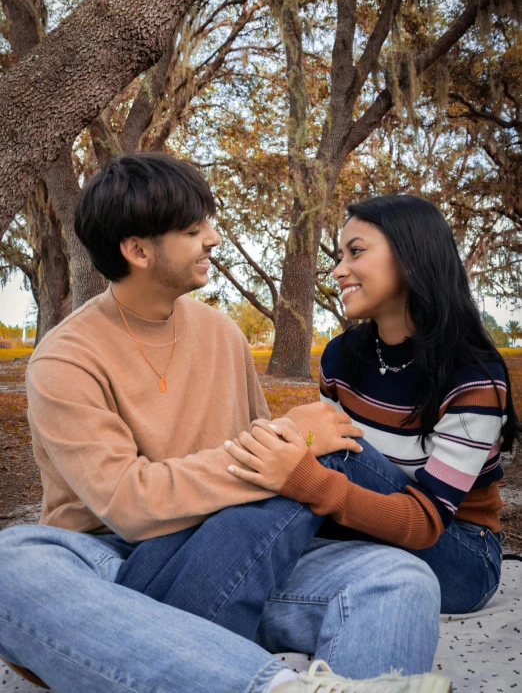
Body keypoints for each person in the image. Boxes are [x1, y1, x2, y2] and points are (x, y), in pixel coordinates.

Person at [0, 156, 448, 693]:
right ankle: (272, 688)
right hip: (114, 568)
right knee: (12, 562)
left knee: (398, 578)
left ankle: (198, 666)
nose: (213, 238)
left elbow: (266, 479)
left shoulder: (222, 334)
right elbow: (130, 505)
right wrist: (293, 438)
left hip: (227, 550)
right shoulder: (65, 359)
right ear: (138, 250)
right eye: (193, 230)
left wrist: (285, 455)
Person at [225, 193, 520, 615]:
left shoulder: (472, 377)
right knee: (303, 460)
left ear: (412, 257)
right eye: (339, 255)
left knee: (334, 458)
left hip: (461, 554)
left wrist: (302, 476)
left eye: (356, 252)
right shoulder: (341, 357)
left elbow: (427, 521)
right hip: (367, 529)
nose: (338, 270)